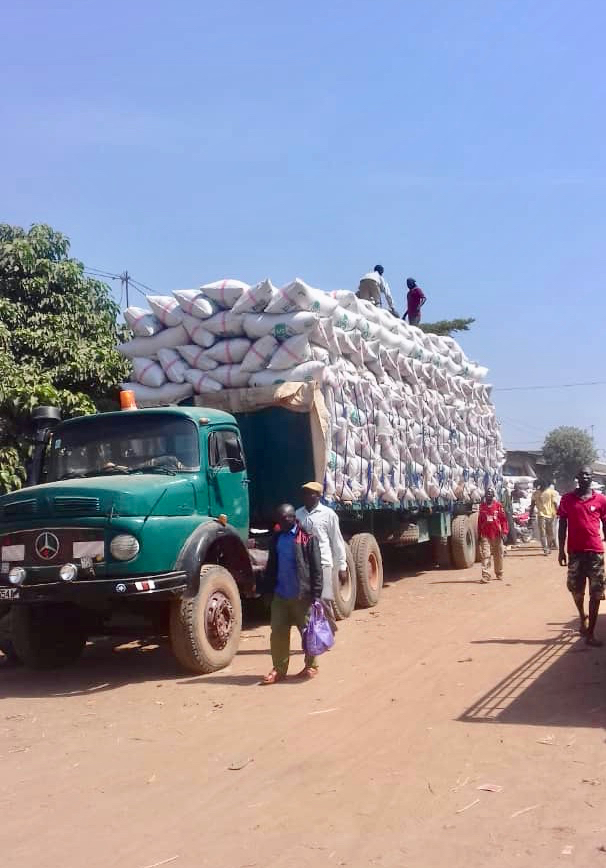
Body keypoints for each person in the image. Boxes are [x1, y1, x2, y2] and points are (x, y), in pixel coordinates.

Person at [262, 503, 323, 684]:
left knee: (307, 632)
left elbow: (316, 568)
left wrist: (316, 595)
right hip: (280, 594)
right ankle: (279, 670)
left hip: (301, 596)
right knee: (278, 632)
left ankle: (311, 665)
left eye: (284, 518)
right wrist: (267, 590)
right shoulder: (276, 539)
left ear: (292, 518)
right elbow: (271, 566)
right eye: (278, 519)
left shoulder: (307, 538)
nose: (280, 522)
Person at [558, 466, 606, 647]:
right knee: (576, 590)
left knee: (597, 592)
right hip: (575, 553)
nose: (584, 476)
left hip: (595, 553)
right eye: (581, 474)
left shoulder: (601, 500)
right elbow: (562, 524)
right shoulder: (567, 499)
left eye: (588, 474)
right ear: (577, 477)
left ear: (591, 477)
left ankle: (591, 634)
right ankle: (581, 616)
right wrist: (561, 550)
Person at [296, 481, 348, 628]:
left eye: (310, 493)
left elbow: (337, 541)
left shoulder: (328, 514)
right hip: (305, 565)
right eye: (304, 493)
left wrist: (342, 567)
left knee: (324, 598)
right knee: (307, 601)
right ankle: (313, 635)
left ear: (318, 496)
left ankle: (330, 631)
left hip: (323, 562)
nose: (306, 496)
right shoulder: (297, 514)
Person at [477, 486, 509, 583]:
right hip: (485, 534)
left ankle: (499, 572)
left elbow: (503, 520)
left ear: (493, 496)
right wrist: (479, 534)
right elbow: (479, 521)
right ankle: (486, 575)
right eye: (487, 494)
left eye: (490, 494)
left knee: (498, 554)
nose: (488, 496)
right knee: (486, 555)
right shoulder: (482, 507)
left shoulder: (498, 506)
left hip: (497, 534)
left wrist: (504, 532)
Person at [529, 480, 559, 555]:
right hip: (550, 515)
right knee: (549, 533)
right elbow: (555, 503)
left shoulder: (536, 493)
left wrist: (530, 515)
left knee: (544, 533)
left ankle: (546, 548)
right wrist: (558, 512)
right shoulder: (552, 492)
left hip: (542, 515)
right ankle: (547, 548)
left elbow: (532, 505)